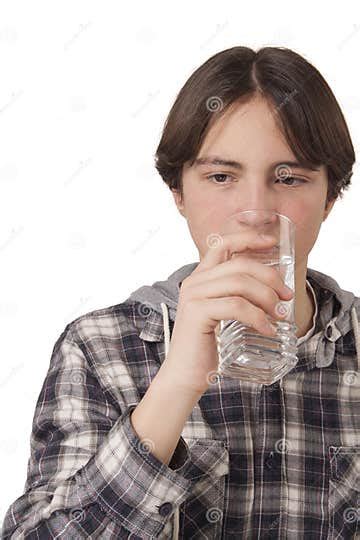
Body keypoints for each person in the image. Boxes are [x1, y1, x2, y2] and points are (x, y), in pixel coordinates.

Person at [2, 46, 359, 539]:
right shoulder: (98, 349)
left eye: (289, 178)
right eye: (221, 176)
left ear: (330, 196)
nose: (254, 211)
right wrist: (177, 383)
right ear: (179, 193)